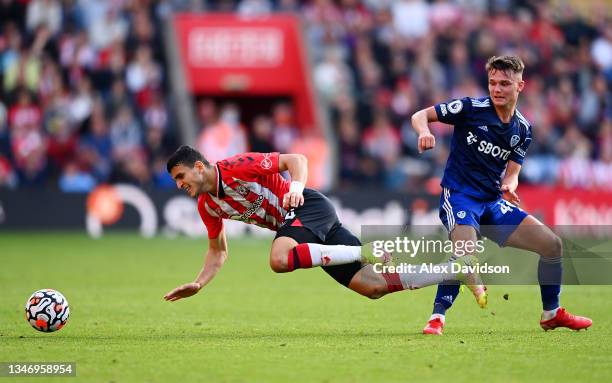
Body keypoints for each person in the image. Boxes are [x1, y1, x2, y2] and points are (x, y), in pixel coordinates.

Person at [162, 145, 487, 304]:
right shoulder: (209, 206)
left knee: (279, 259)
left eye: (181, 176)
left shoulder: (235, 167)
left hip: (308, 208)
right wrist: (199, 283)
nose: (179, 184)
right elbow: (217, 252)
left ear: (200, 167)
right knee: (371, 287)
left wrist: (296, 187)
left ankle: (365, 250)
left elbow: (296, 161)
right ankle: (454, 268)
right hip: (303, 229)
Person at [410, 55, 592, 335]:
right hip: (460, 196)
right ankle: (437, 317)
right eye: (492, 82)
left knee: (552, 245)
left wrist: (510, 185)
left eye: (504, 83)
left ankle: (551, 313)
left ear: (520, 86)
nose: (496, 89)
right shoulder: (470, 108)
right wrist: (424, 131)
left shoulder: (522, 129)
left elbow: (513, 172)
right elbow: (420, 115)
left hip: (491, 202)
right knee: (464, 255)